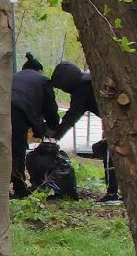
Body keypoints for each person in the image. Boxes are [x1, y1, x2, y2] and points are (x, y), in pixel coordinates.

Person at [51, 63, 120, 202]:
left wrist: (57, 134)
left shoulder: (82, 89)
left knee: (109, 153)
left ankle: (112, 193)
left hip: (118, 122)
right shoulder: (88, 82)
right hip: (114, 121)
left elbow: (73, 115)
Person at [9, 63, 61, 197]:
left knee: (5, 149)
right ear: (40, 70)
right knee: (18, 151)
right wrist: (52, 126)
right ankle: (19, 188)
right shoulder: (43, 80)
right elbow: (50, 109)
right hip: (18, 112)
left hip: (2, 111)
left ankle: (1, 183)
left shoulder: (14, 77)